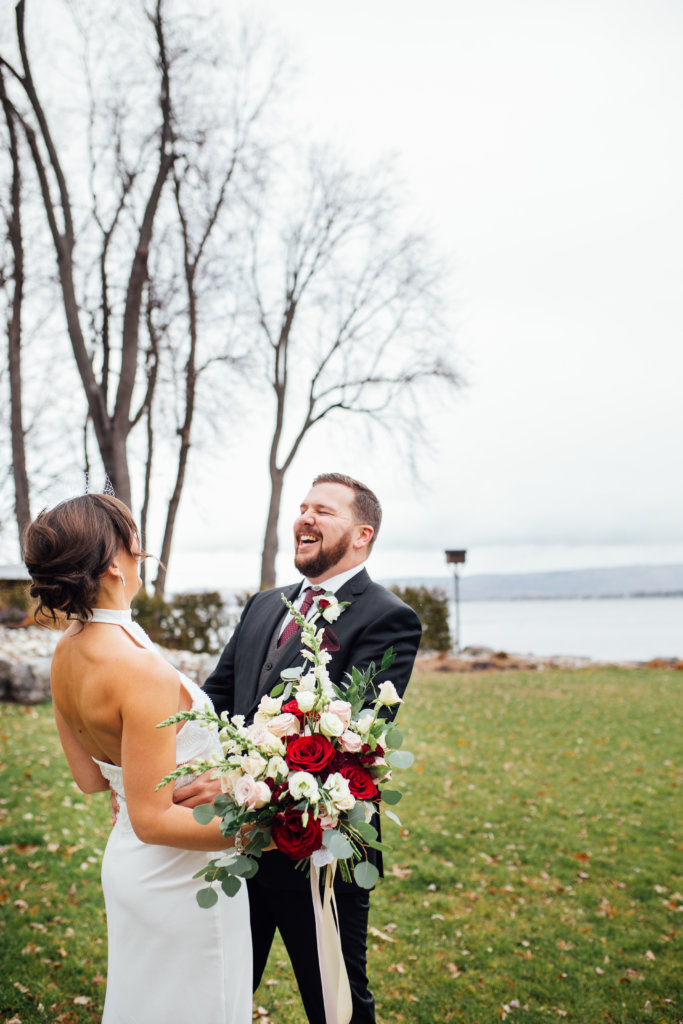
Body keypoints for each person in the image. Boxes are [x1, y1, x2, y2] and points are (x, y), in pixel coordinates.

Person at [179, 472, 422, 1024]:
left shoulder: (388, 617)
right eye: (303, 507)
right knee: (221, 991)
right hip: (237, 836)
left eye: (324, 511)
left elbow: (353, 734)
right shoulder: (264, 605)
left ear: (362, 535)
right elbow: (216, 700)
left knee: (335, 1003)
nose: (306, 518)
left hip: (321, 847)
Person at [22, 494, 253, 1024]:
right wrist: (258, 826)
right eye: (133, 538)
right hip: (184, 880)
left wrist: (136, 787)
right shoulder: (138, 668)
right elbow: (153, 820)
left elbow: (90, 779)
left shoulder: (68, 648)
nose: (141, 550)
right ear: (113, 563)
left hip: (130, 865)